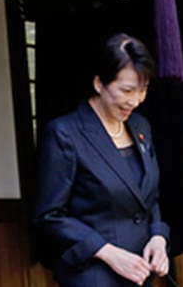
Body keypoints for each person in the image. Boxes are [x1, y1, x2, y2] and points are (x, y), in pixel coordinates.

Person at [34, 33, 170, 287]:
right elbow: (49, 215)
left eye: (143, 90)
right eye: (127, 90)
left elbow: (149, 197)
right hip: (92, 274)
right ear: (99, 83)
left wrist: (158, 237)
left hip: (140, 273)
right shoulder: (66, 133)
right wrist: (107, 252)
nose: (135, 100)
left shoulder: (141, 126)